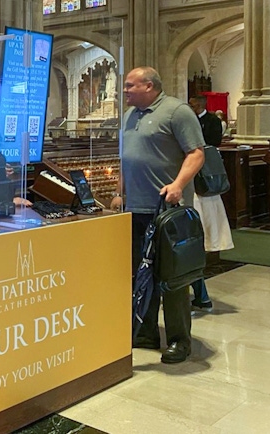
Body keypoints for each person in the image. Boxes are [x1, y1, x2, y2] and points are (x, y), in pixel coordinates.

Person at [110, 66, 205, 364]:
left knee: (172, 277)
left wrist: (178, 185)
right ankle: (145, 331)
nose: (124, 91)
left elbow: (197, 153)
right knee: (141, 274)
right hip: (134, 208)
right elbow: (127, 159)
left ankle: (179, 339)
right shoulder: (129, 116)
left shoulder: (177, 112)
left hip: (166, 211)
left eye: (129, 86)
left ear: (148, 85)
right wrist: (119, 191)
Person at [188, 95, 233, 313]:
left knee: (192, 246)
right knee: (192, 247)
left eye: (194, 105)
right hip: (196, 191)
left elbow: (210, 146)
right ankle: (201, 295)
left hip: (201, 189)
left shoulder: (211, 124)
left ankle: (201, 296)